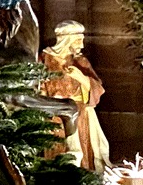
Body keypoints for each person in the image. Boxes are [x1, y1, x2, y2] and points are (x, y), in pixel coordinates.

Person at [41, 20, 111, 175]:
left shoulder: (80, 62)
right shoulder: (44, 60)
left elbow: (97, 89)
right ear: (67, 39)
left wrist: (81, 78)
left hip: (81, 116)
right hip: (56, 117)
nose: (82, 45)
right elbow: (37, 88)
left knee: (82, 157)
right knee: (58, 156)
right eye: (78, 40)